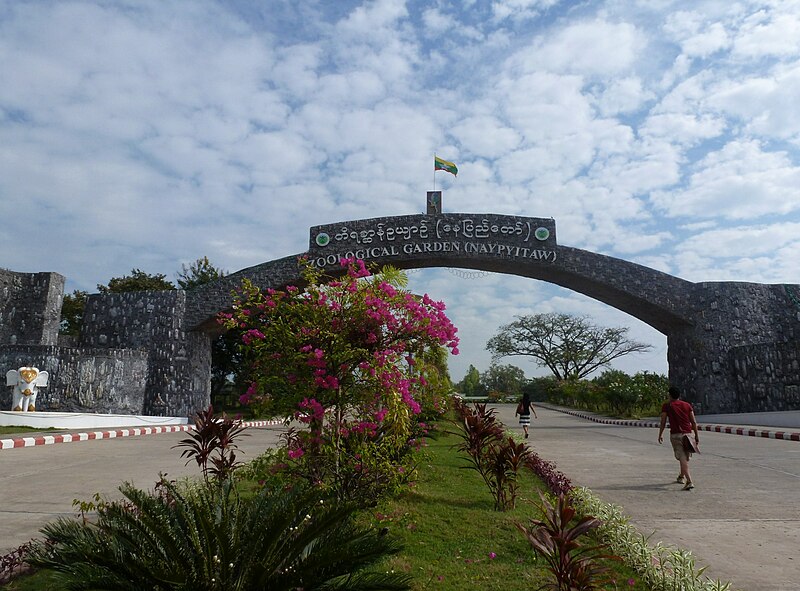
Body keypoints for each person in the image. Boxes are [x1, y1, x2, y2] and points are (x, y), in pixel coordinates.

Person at [658, 386, 700, 490]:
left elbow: (663, 421)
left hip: (676, 435)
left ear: (670, 395)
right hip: (688, 435)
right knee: (684, 458)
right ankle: (681, 477)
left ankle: (689, 481)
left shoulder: (667, 406)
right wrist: (696, 435)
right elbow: (693, 422)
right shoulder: (687, 405)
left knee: (682, 458)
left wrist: (660, 434)